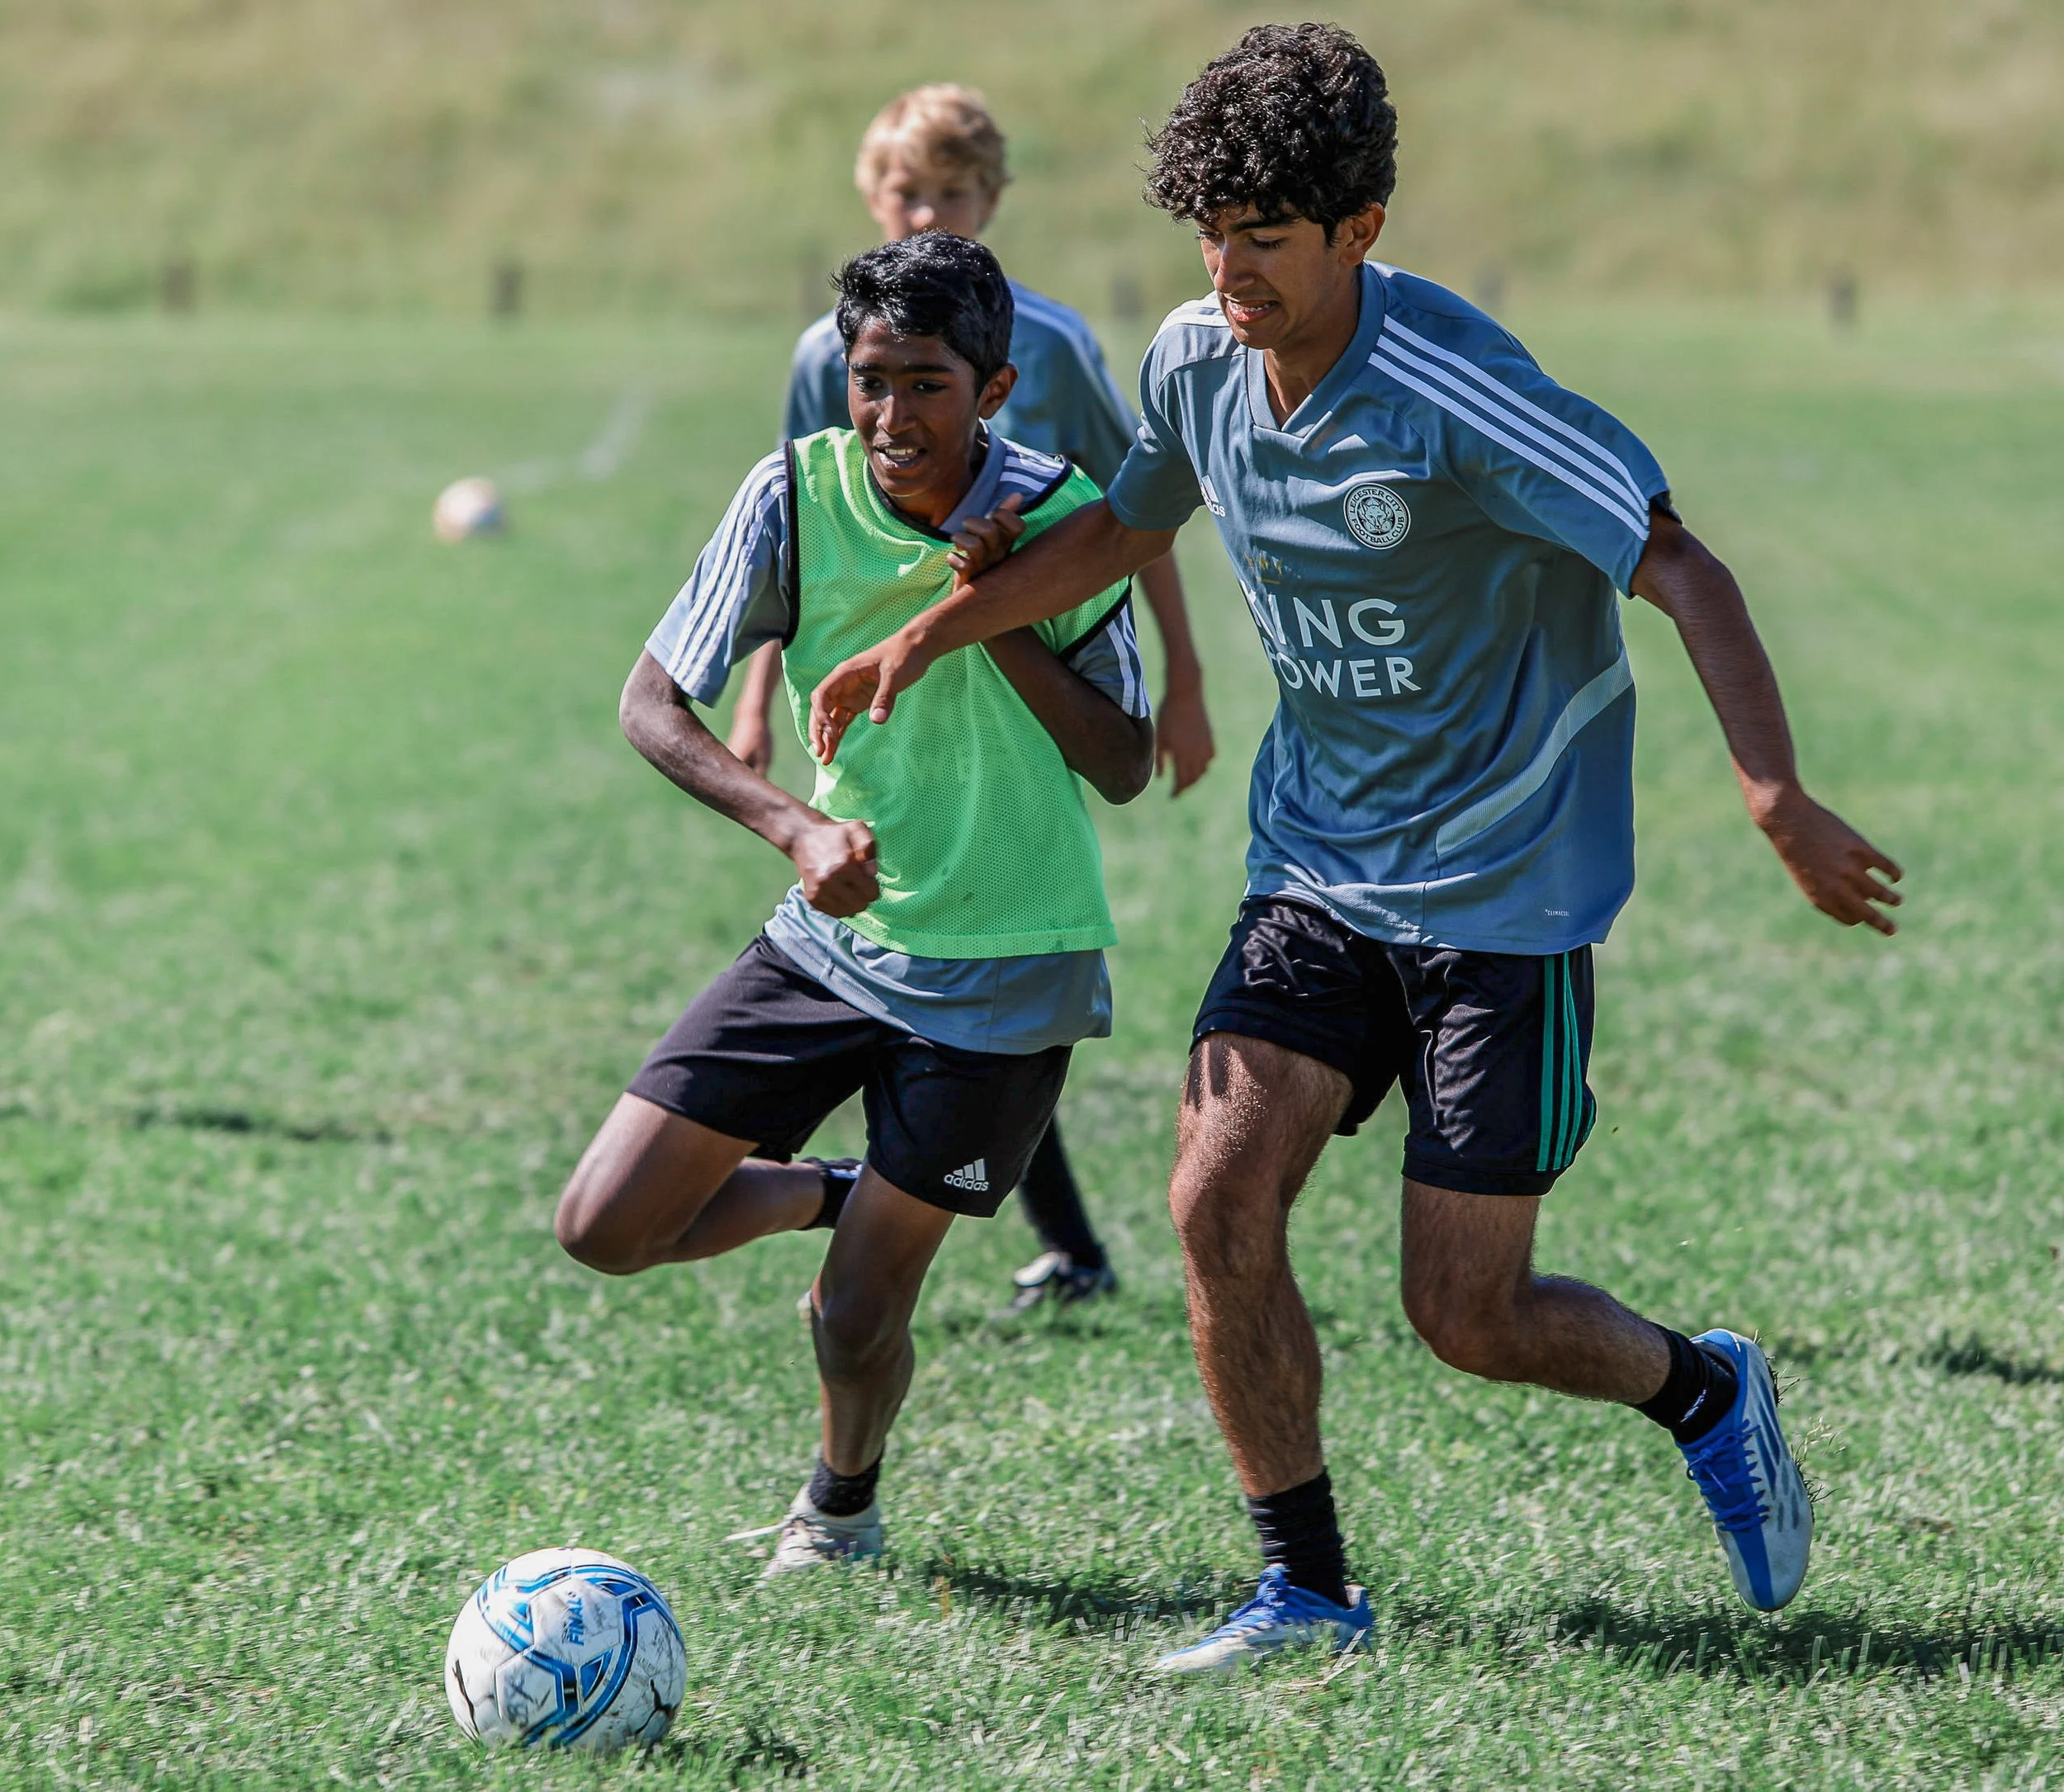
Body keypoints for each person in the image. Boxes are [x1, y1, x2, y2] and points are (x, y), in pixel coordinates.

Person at [807, 24, 1904, 1667]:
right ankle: (1305, 1586)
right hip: (1316, 865)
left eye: (1270, 236)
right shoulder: (1190, 359)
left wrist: (1769, 792)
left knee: (1465, 1313)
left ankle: (1703, 1386)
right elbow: (1122, 524)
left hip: (1504, 889)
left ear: (1358, 231)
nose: (1232, 269)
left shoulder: (1453, 387)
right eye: (1213, 232)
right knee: (1211, 1198)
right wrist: (936, 634)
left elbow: (1676, 565)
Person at [556, 232, 1153, 1572]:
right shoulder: (790, 495)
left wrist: (991, 605)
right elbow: (652, 705)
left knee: (856, 1311)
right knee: (606, 1226)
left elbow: (1126, 761)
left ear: (993, 390)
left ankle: (839, 1512)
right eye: (869, 378)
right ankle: (847, 1187)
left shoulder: (1064, 517)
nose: (892, 415)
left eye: (928, 383)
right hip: (829, 940)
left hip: (1007, 966)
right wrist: (792, 823)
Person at [730, 83, 1215, 1309]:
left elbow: (1132, 519)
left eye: (951, 194)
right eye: (906, 192)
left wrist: (1189, 683)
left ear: (994, 202)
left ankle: (988, 1219)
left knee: (989, 943)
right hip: (881, 714)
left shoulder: (1046, 344)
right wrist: (749, 705)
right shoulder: (826, 356)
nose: (927, 209)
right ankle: (1005, 1223)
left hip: (1020, 688)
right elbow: (789, 534)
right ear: (868, 196)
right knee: (937, 959)